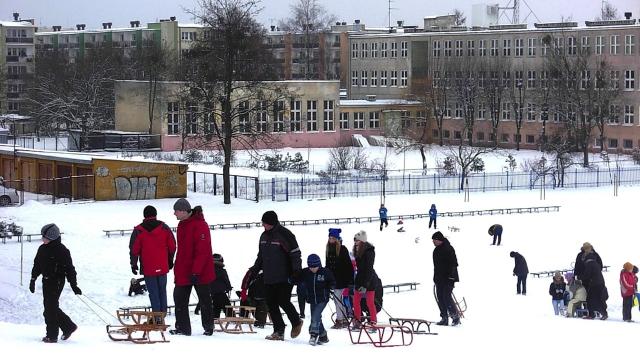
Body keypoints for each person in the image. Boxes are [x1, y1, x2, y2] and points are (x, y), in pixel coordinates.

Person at [250, 210, 303, 341]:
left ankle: (296, 321)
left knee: (283, 301)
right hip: (268, 276)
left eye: (265, 223)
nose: (263, 226)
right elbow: (261, 256)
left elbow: (295, 254)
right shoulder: (263, 237)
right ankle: (278, 330)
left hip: (285, 276)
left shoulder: (285, 234)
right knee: (271, 303)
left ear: (272, 223)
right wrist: (255, 270)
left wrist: (296, 271)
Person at [170, 198, 216, 336]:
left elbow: (202, 251)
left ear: (184, 211)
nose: (174, 214)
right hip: (184, 270)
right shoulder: (182, 225)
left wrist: (196, 271)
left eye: (176, 211)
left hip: (200, 271)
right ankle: (183, 328)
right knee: (179, 297)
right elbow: (183, 250)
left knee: (204, 299)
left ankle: (208, 326)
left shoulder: (200, 225)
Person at [29, 223, 82, 343]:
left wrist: (74, 285)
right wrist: (33, 279)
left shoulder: (62, 251)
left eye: (45, 237)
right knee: (50, 307)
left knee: (50, 309)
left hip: (57, 281)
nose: (42, 239)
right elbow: (37, 265)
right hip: (46, 281)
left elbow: (70, 269)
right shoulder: (42, 248)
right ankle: (68, 326)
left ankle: (52, 336)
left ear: (52, 238)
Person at [130, 205, 176, 315]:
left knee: (153, 293)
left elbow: (134, 249)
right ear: (155, 215)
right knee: (162, 291)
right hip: (162, 266)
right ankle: (162, 314)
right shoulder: (164, 227)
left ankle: (157, 316)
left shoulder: (139, 230)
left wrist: (134, 264)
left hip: (148, 267)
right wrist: (170, 259)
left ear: (144, 215)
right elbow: (172, 245)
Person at [301, 254, 335, 346]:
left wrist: (331, 286)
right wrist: (291, 279)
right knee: (316, 317)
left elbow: (332, 281)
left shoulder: (325, 272)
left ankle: (313, 334)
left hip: (322, 299)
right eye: (311, 267)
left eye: (315, 267)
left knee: (315, 316)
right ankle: (323, 336)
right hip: (312, 299)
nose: (313, 269)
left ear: (319, 264)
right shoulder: (306, 272)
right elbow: (297, 277)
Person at [324, 227, 354, 329]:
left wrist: (350, 280)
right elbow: (327, 265)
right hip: (333, 279)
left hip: (342, 279)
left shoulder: (343, 249)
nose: (331, 239)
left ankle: (341, 319)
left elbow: (348, 266)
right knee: (338, 300)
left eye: (333, 238)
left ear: (337, 239)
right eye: (330, 238)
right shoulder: (328, 249)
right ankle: (343, 319)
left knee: (338, 300)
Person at [431, 231, 460, 326]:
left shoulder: (448, 248)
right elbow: (436, 267)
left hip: (449, 278)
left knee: (446, 297)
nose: (433, 242)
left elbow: (454, 263)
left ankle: (455, 317)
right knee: (440, 297)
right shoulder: (436, 251)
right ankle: (444, 317)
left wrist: (452, 276)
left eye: (434, 240)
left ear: (439, 240)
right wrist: (435, 278)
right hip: (439, 278)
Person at [352, 230, 380, 327]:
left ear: (362, 241)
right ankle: (357, 321)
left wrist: (365, 285)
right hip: (360, 279)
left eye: (357, 241)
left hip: (369, 280)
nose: (355, 243)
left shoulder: (369, 252)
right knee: (355, 301)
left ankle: (373, 322)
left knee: (370, 302)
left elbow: (368, 269)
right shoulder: (357, 251)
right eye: (354, 241)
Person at [195, 253, 232, 319]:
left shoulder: (208, 271)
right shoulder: (222, 271)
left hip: (212, 293)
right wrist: (229, 287)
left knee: (216, 306)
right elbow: (226, 280)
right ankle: (231, 318)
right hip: (221, 292)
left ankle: (215, 318)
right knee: (227, 307)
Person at [581, 249, 608, 320]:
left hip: (595, 284)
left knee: (590, 299)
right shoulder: (595, 263)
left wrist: (579, 277)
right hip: (600, 283)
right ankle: (602, 313)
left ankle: (593, 314)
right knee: (598, 299)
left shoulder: (589, 264)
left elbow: (587, 275)